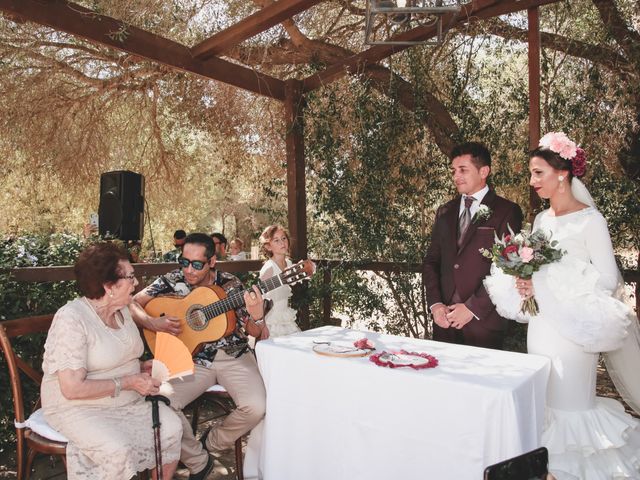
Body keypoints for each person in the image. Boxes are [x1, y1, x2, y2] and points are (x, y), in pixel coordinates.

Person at [484, 132, 640, 479]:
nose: (532, 181)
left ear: (563, 174)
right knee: (544, 407)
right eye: (531, 173)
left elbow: (608, 280)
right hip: (541, 327)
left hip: (574, 331)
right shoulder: (541, 221)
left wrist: (552, 280)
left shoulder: (591, 221)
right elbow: (537, 273)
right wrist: (525, 282)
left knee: (570, 408)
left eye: (538, 173)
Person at [131, 233, 267, 480]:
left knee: (257, 407)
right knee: (158, 402)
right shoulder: (172, 279)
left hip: (233, 355)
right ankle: (198, 460)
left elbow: (256, 332)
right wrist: (153, 322)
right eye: (184, 262)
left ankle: (211, 444)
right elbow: (132, 304)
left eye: (197, 265)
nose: (188, 270)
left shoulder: (231, 285)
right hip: (191, 359)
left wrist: (257, 315)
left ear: (212, 262)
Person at [40, 242, 182, 479]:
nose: (136, 283)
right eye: (131, 277)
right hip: (78, 407)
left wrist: (140, 367)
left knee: (171, 428)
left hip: (127, 401)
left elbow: (115, 359)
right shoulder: (72, 318)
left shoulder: (124, 310)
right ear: (109, 286)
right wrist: (129, 381)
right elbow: (72, 388)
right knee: (117, 449)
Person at [422, 142, 523, 349]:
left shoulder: (507, 211)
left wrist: (471, 308)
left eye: (463, 170)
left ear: (484, 171)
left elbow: (509, 268)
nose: (456, 176)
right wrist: (435, 305)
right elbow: (432, 260)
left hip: (483, 322)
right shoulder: (444, 212)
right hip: (444, 320)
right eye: (454, 170)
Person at [259, 225, 301, 338]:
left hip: (285, 316)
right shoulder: (269, 268)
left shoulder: (289, 264)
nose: (282, 242)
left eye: (283, 238)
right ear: (268, 246)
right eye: (276, 240)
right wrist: (262, 326)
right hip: (272, 321)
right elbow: (261, 300)